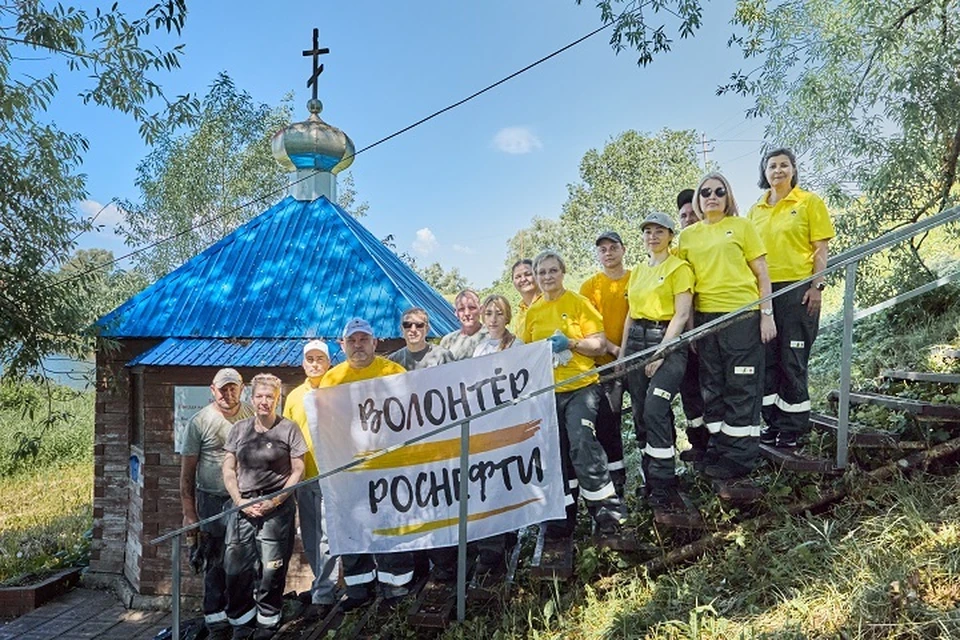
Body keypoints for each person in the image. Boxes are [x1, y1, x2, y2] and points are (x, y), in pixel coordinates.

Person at [521, 251, 627, 543]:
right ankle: (562, 520)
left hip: (581, 387)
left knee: (582, 444)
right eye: (541, 272)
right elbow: (525, 355)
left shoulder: (579, 303)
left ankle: (608, 515)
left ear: (562, 272)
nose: (547, 277)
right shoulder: (532, 312)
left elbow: (599, 344)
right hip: (549, 393)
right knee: (557, 457)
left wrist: (571, 343)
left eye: (552, 270)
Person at [677, 173, 776, 485]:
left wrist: (766, 314)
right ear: (698, 200)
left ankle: (741, 456)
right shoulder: (688, 237)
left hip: (741, 317)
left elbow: (762, 274)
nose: (712, 196)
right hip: (706, 320)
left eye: (719, 191)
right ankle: (720, 448)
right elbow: (687, 288)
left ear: (728, 196)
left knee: (742, 386)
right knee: (713, 386)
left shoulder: (743, 226)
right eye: (706, 192)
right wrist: (692, 328)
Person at [319, 318, 412, 609]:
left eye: (363, 340)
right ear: (343, 345)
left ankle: (394, 586)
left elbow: (410, 414)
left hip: (389, 464)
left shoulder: (393, 372)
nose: (358, 345)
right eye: (352, 341)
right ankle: (359, 589)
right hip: (349, 467)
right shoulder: (331, 379)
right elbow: (325, 422)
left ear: (375, 342)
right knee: (352, 525)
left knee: (389, 526)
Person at [748, 148, 835, 448]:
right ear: (765, 172)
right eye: (772, 166)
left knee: (792, 358)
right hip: (765, 293)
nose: (778, 171)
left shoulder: (809, 202)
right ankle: (773, 423)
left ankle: (794, 428)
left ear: (794, 170)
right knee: (768, 360)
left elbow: (821, 249)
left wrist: (817, 286)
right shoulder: (755, 211)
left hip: (798, 290)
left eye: (784, 165)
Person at [619, 213, 701, 527]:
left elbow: (681, 316)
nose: (652, 236)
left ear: (670, 235)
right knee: (641, 411)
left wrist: (660, 353)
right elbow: (629, 314)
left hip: (666, 340)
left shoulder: (679, 268)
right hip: (637, 341)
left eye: (659, 231)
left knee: (656, 406)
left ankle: (666, 481)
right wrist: (625, 355)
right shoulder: (638, 271)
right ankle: (652, 478)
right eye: (647, 231)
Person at [222, 374, 306, 640]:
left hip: (276, 509)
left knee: (271, 568)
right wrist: (239, 501)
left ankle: (267, 622)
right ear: (252, 398)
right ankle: (241, 622)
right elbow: (228, 468)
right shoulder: (239, 430)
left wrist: (277, 499)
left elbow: (299, 469)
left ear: (277, 398)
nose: (264, 401)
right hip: (243, 506)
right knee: (235, 568)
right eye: (259, 396)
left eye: (270, 396)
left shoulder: (289, 429)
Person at [179, 368, 254, 640]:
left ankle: (243, 621)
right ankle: (216, 623)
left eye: (233, 388)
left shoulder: (251, 414)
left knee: (243, 561)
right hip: (211, 500)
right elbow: (187, 475)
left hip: (244, 499)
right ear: (213, 390)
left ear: (241, 388)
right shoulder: (200, 422)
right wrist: (190, 514)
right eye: (223, 389)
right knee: (215, 561)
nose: (228, 393)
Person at [281, 340, 338, 621]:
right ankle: (321, 584)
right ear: (303, 363)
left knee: (329, 536)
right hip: (305, 476)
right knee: (312, 537)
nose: (315, 363)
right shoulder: (293, 397)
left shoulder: (338, 388)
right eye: (310, 359)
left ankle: (325, 592)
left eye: (320, 359)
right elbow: (286, 438)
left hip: (333, 474)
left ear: (329, 362)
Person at [579, 231, 629, 497]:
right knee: (609, 422)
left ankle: (653, 474)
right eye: (603, 250)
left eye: (613, 247)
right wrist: (612, 349)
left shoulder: (636, 278)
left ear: (623, 249)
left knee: (649, 415)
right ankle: (617, 479)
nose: (608, 253)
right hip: (605, 363)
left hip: (637, 356)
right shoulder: (589, 287)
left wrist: (627, 351)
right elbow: (585, 326)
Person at [675, 188, 709, 462]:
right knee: (689, 387)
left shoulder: (716, 242)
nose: (688, 219)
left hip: (712, 319)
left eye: (692, 214)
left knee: (713, 384)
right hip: (686, 327)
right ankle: (698, 443)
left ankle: (720, 442)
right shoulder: (677, 254)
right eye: (683, 215)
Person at [388, 307, 455, 369]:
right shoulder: (393, 360)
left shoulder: (442, 356)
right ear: (402, 329)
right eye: (407, 325)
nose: (413, 329)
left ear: (427, 329)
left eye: (419, 325)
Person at [439, 289, 488, 360]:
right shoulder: (447, 341)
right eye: (461, 309)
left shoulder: (494, 335)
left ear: (481, 309)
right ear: (456, 313)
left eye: (472, 308)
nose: (467, 313)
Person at [511, 259, 541, 337]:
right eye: (518, 277)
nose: (523, 279)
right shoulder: (519, 317)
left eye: (528, 274)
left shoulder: (551, 301)